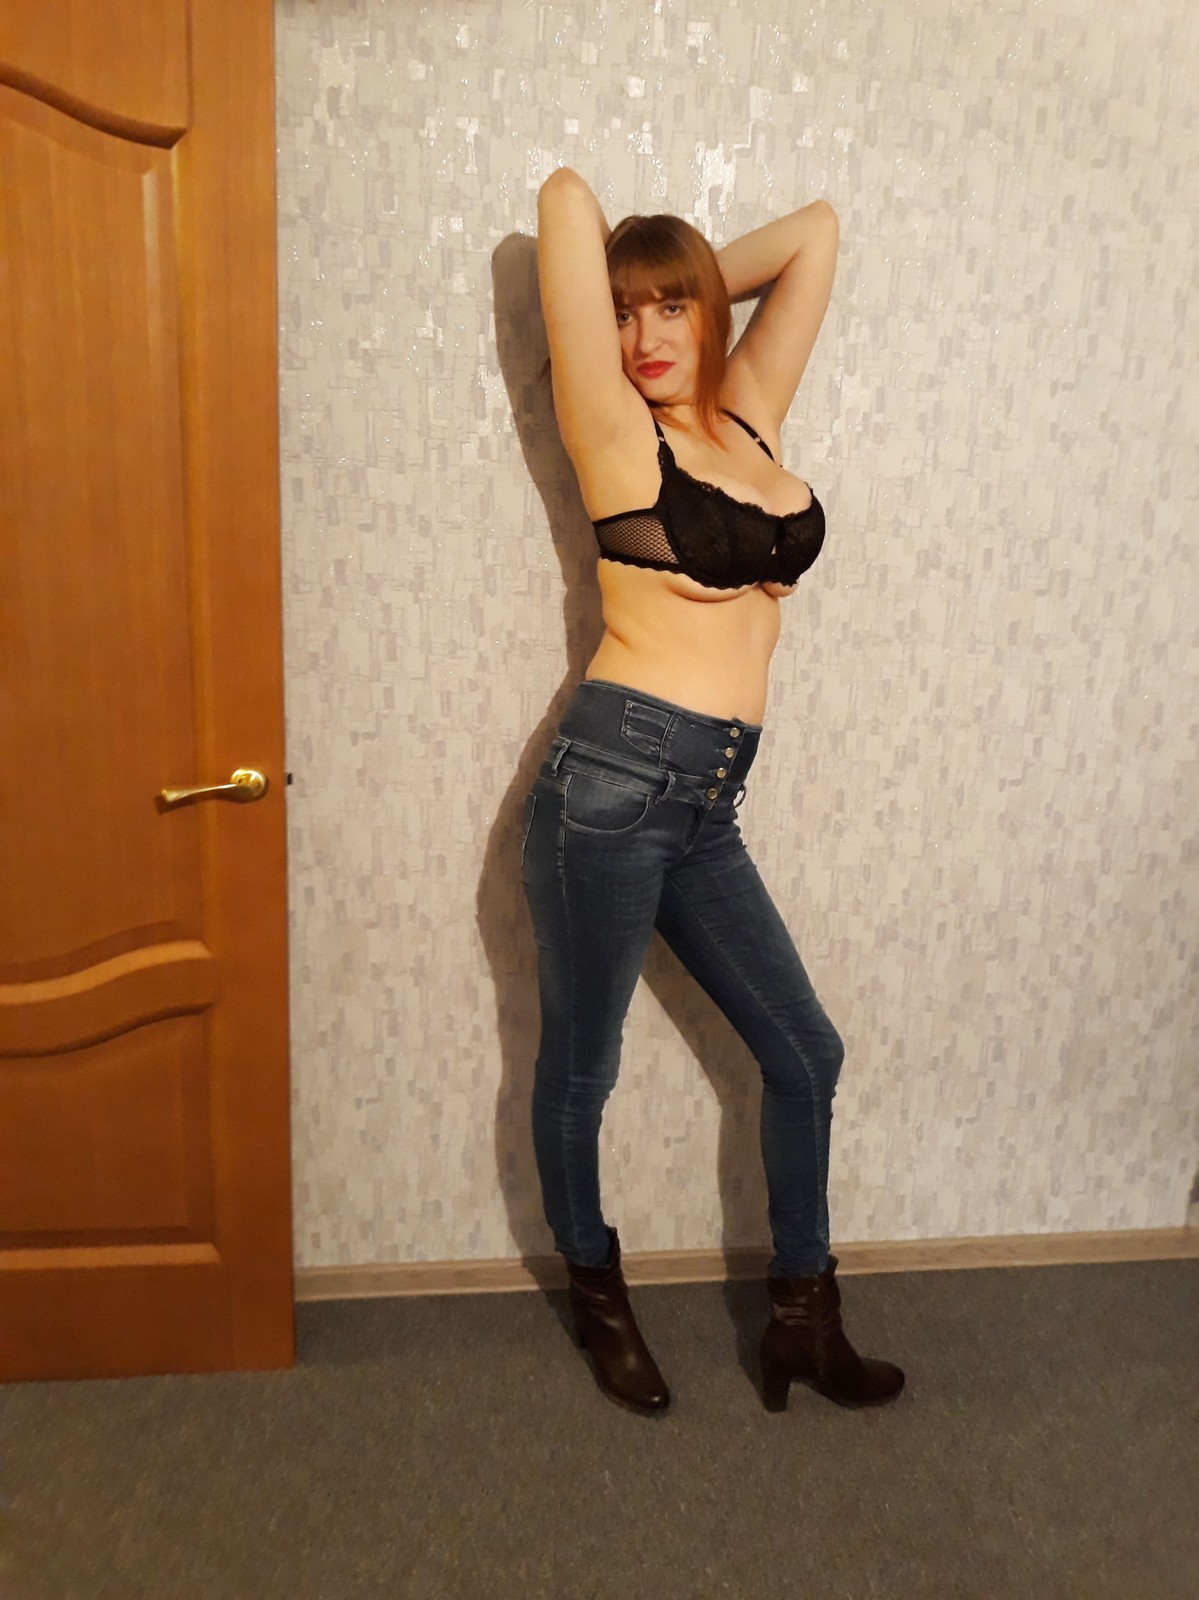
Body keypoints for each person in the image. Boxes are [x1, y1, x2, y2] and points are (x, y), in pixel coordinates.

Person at [521, 167, 904, 1415]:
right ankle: (599, 1301)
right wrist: (632, 300)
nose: (642, 337)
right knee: (583, 1071)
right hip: (608, 788)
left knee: (804, 1052)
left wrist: (698, 283)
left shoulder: (745, 417)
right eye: (620, 313)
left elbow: (815, 235)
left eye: (668, 308)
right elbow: (563, 200)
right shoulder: (609, 424)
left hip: (705, 808)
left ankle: (804, 1319)